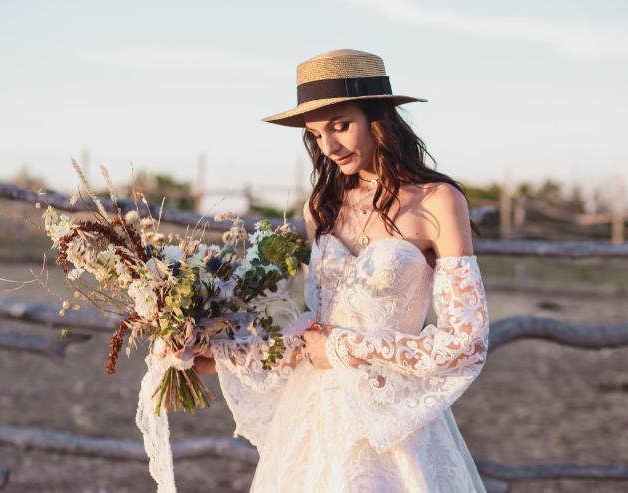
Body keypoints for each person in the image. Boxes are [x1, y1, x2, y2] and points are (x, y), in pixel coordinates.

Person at [191, 48, 490, 492]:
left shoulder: (439, 201)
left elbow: (466, 343)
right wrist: (212, 352)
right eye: (315, 134)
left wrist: (346, 347)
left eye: (340, 125)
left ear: (378, 118)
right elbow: (314, 333)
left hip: (391, 425)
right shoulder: (321, 207)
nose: (328, 146)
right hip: (312, 422)